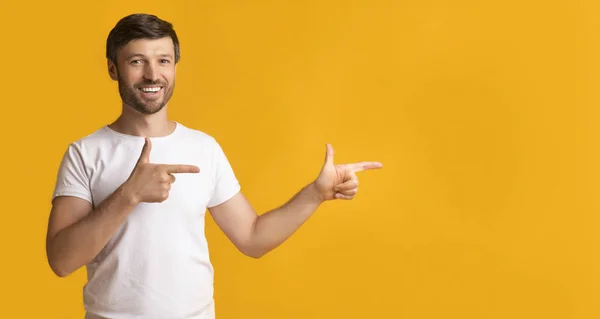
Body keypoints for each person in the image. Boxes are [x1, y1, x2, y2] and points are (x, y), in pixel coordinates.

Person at [45, 13, 383, 319]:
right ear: (113, 69)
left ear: (175, 66)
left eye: (163, 60)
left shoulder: (203, 148)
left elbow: (252, 239)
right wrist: (128, 195)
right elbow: (61, 261)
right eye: (137, 61)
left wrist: (315, 194)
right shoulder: (84, 153)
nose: (153, 74)